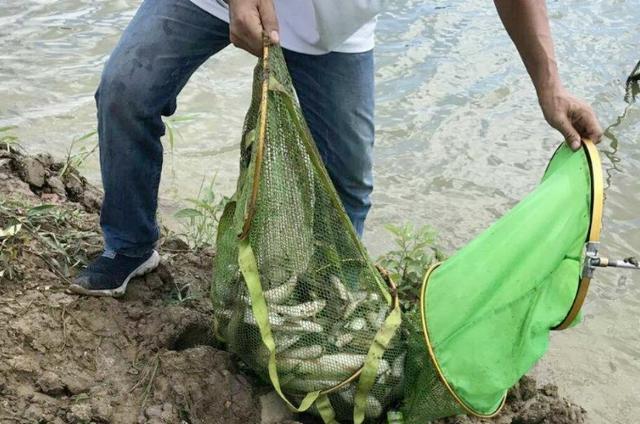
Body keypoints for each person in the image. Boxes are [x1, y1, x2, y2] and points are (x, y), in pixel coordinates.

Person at [70, 0, 603, 297]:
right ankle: (131, 246)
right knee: (125, 90)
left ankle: (323, 297)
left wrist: (548, 86)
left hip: (334, 30)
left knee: (347, 178)